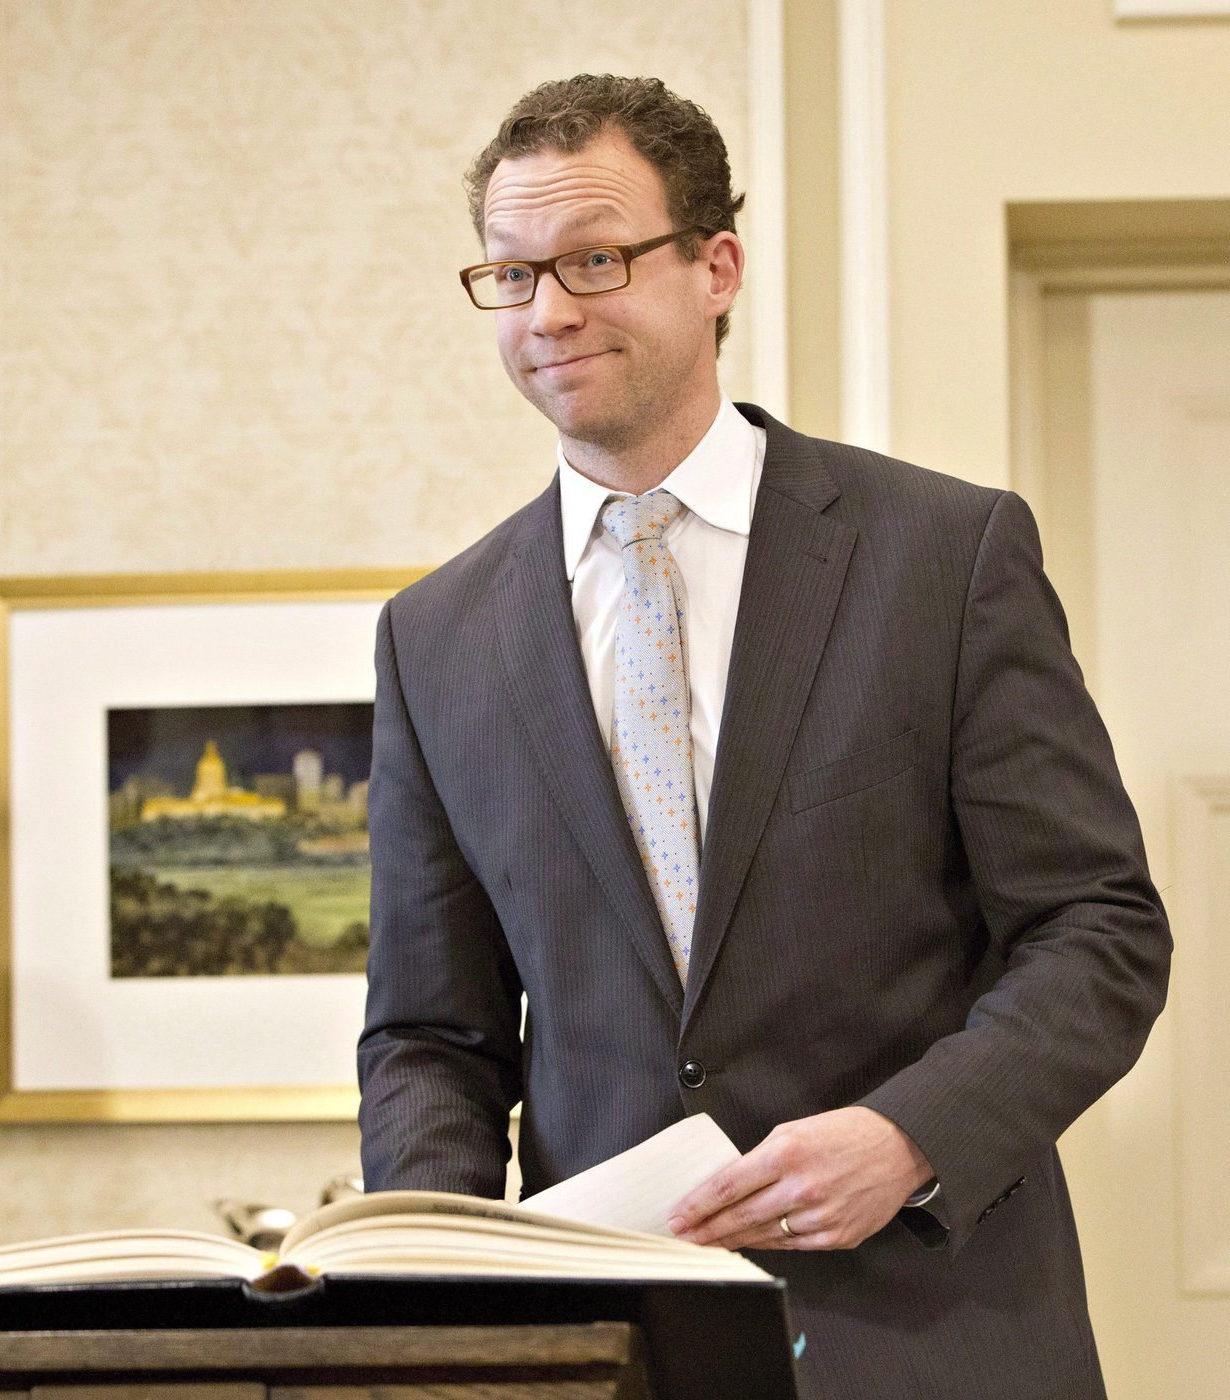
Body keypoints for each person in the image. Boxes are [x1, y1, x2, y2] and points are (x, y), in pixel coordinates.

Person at [358, 73, 1170, 1399]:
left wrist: (912, 1135)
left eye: (596, 260)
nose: (548, 312)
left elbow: (1098, 929)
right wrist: (443, 1289)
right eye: (511, 275)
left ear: (715, 268)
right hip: (608, 1354)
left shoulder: (943, 554)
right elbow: (430, 1037)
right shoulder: (435, 636)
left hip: (937, 1332)